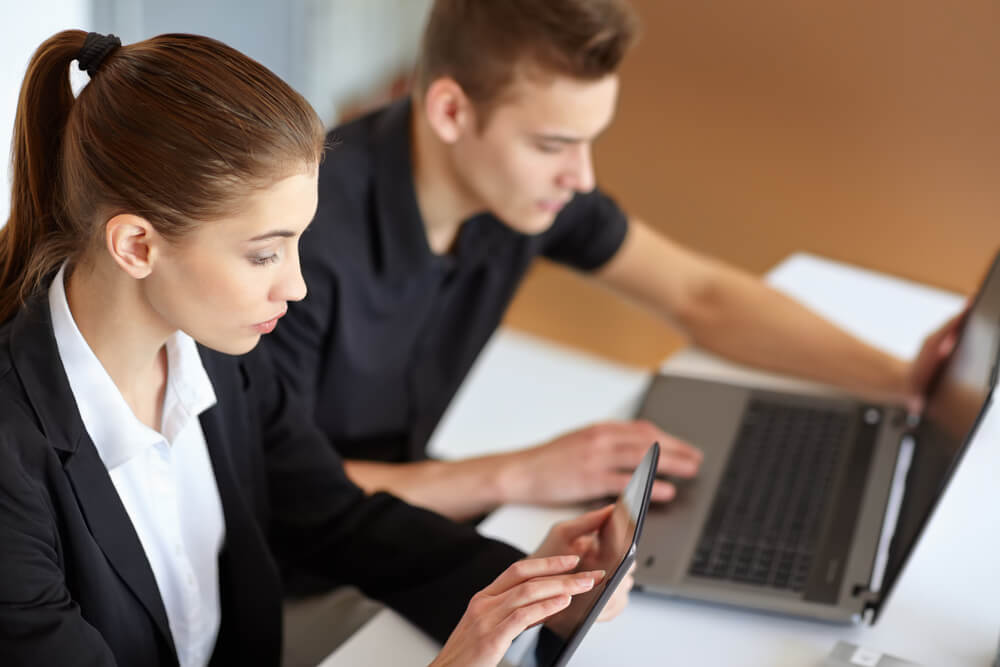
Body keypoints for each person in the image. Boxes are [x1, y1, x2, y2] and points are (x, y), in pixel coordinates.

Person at [0, 30, 631, 667]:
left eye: (298, 242)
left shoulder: (216, 356)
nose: (296, 285)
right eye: (264, 253)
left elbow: (337, 520)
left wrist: (532, 587)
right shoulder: (10, 457)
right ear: (136, 245)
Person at [263, 0, 956, 525]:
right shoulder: (300, 242)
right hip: (290, 562)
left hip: (404, 508)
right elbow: (273, 483)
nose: (582, 178)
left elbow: (699, 294)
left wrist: (899, 379)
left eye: (590, 141)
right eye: (554, 144)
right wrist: (517, 474)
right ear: (449, 110)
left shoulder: (526, 192)